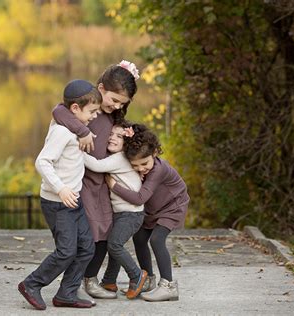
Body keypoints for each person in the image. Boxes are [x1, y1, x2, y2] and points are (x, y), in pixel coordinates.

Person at [52, 60, 145, 300]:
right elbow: (58, 111)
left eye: (121, 104)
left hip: (102, 185)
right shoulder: (87, 109)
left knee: (105, 233)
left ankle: (91, 280)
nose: (115, 106)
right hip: (81, 183)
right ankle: (74, 283)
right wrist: (83, 131)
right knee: (87, 235)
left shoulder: (114, 119)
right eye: (113, 100)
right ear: (101, 88)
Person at [18, 79, 101, 310]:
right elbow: (42, 162)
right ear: (75, 109)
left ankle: (66, 294)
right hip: (57, 202)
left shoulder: (75, 128)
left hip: (74, 201)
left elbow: (77, 158)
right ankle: (31, 284)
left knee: (86, 248)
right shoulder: (62, 131)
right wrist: (61, 188)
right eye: (92, 111)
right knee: (66, 252)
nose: (95, 116)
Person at [105, 123, 189, 302]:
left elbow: (139, 198)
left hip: (172, 206)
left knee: (157, 239)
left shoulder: (159, 169)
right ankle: (148, 280)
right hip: (153, 210)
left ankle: (168, 286)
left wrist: (114, 186)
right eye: (136, 166)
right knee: (140, 238)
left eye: (144, 163)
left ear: (155, 153)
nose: (141, 168)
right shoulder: (142, 167)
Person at [82, 122, 147, 299]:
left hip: (131, 214)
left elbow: (95, 165)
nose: (112, 138)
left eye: (119, 136)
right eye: (111, 134)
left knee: (114, 245)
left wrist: (77, 150)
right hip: (123, 213)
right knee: (114, 245)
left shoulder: (120, 158)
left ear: (127, 143)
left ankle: (136, 275)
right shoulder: (119, 158)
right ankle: (109, 281)